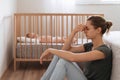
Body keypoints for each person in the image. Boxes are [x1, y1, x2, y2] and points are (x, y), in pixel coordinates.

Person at [40, 16, 113, 80]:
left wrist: (50, 50)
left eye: (87, 28)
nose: (84, 31)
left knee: (63, 62)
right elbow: (65, 50)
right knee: (59, 55)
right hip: (84, 77)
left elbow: (73, 58)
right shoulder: (90, 46)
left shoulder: (103, 51)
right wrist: (74, 32)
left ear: (98, 30)